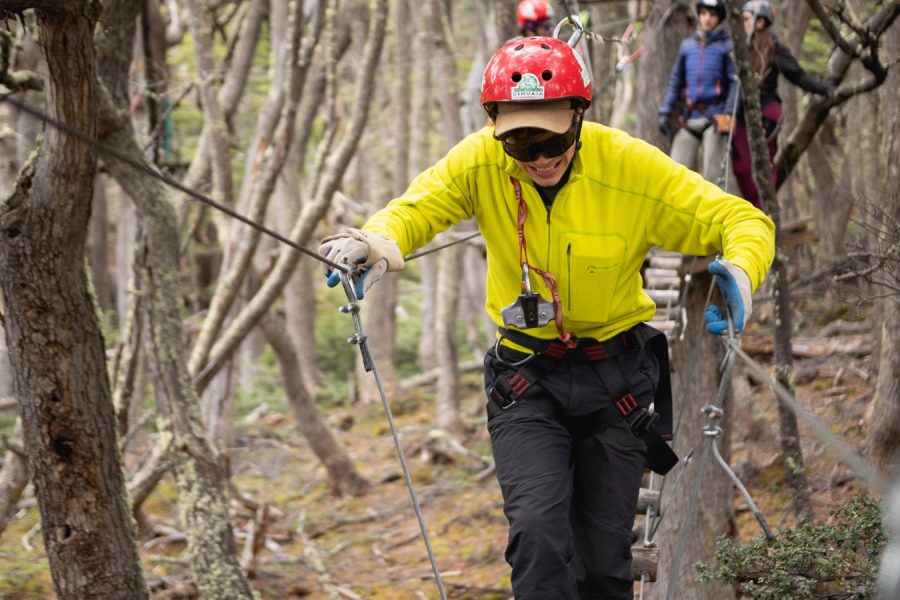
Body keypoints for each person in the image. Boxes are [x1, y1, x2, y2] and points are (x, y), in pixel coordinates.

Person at [319, 36, 775, 600]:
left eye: (552, 138)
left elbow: (742, 220)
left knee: (605, 566)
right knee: (536, 537)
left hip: (618, 384)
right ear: (495, 130)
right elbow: (415, 210)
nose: (538, 158)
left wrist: (740, 274)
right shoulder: (480, 162)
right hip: (527, 381)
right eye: (519, 142)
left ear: (579, 117)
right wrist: (373, 244)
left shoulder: (628, 167)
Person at [731, 0, 834, 207]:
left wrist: (825, 89)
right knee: (741, 167)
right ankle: (755, 208)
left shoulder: (775, 49)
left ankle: (765, 210)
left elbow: (798, 76)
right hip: (741, 115)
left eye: (747, 19)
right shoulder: (739, 49)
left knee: (764, 166)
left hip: (767, 113)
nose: (743, 24)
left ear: (760, 22)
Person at [658, 0, 738, 188]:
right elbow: (675, 81)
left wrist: (728, 113)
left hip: (716, 118)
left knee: (713, 178)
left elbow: (735, 83)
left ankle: (713, 217)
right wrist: (665, 112)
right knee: (675, 174)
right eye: (704, 14)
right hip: (691, 116)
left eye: (712, 15)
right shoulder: (687, 46)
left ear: (718, 18)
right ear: (699, 15)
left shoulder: (726, 46)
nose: (707, 18)